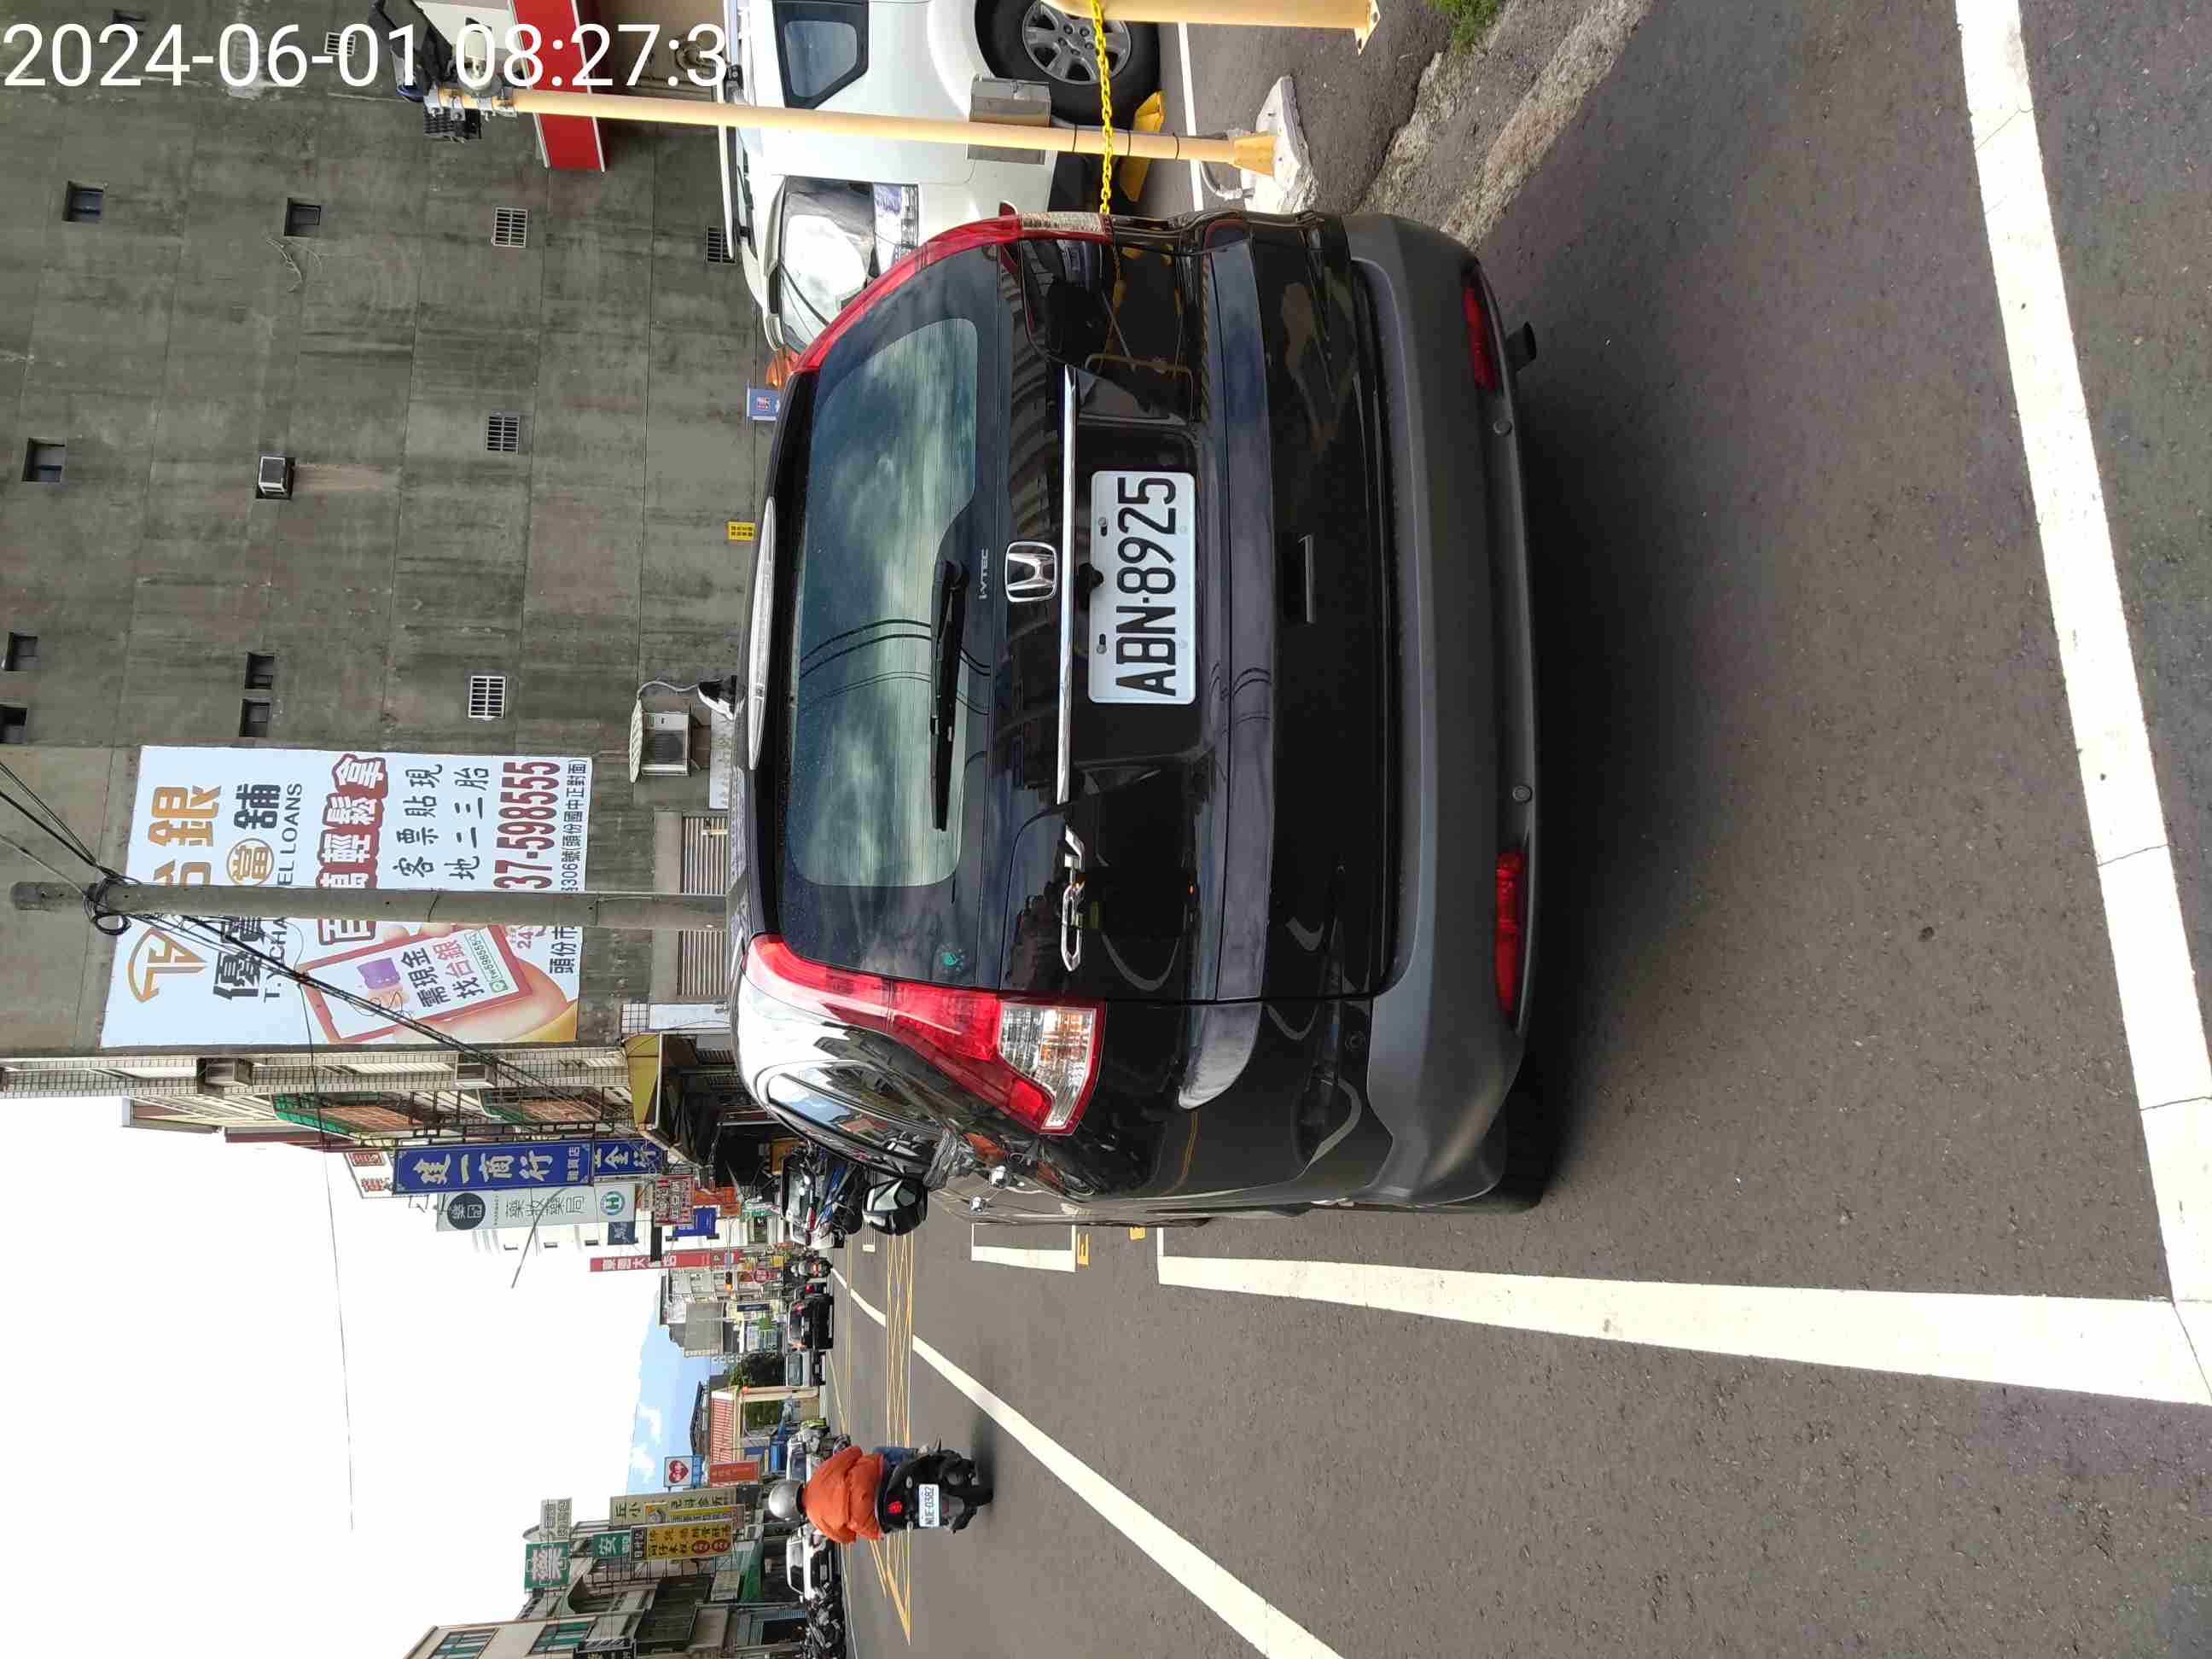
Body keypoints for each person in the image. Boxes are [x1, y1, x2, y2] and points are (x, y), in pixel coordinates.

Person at [767, 1444, 886, 1545]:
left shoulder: (816, 1521)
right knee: (879, 1453)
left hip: (870, 1520)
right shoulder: (818, 1476)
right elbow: (853, 1453)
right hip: (869, 1478)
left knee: (883, 1529)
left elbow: (846, 1537)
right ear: (792, 1485)